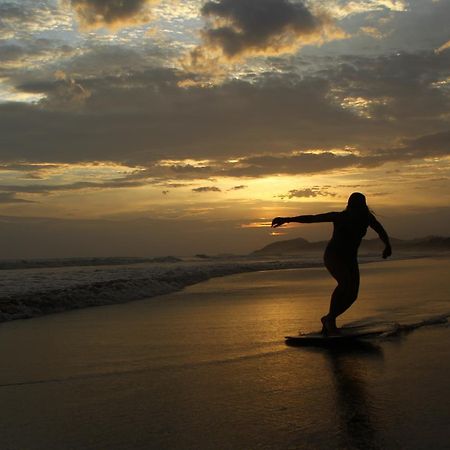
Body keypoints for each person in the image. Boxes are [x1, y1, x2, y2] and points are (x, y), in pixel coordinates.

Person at [271, 192, 392, 336]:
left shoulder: (367, 218)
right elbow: (312, 218)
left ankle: (328, 318)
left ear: (363, 206)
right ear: (349, 206)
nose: (356, 209)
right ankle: (330, 321)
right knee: (345, 284)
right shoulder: (340, 217)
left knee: (353, 295)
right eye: (354, 206)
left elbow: (381, 230)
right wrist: (287, 219)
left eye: (359, 206)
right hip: (333, 256)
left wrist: (387, 246)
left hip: (350, 259)